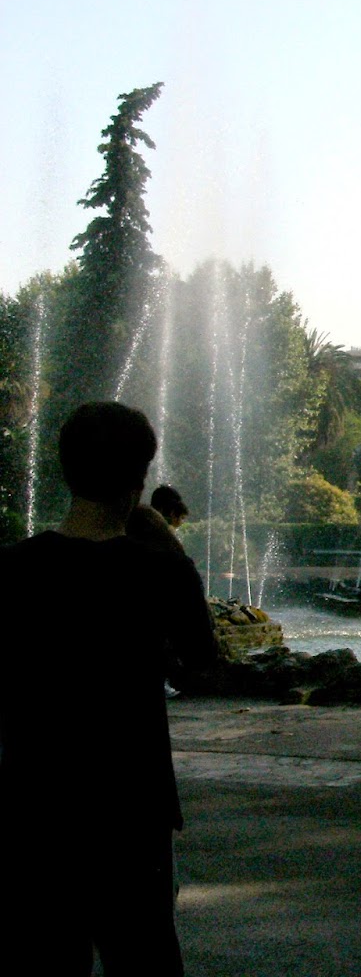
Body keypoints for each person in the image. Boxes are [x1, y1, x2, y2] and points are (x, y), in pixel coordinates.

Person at [0, 402, 217, 975]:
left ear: (65, 470)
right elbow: (202, 664)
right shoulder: (160, 571)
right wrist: (169, 549)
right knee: (144, 957)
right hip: (131, 807)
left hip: (34, 805)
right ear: (140, 478)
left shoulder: (12, 569)